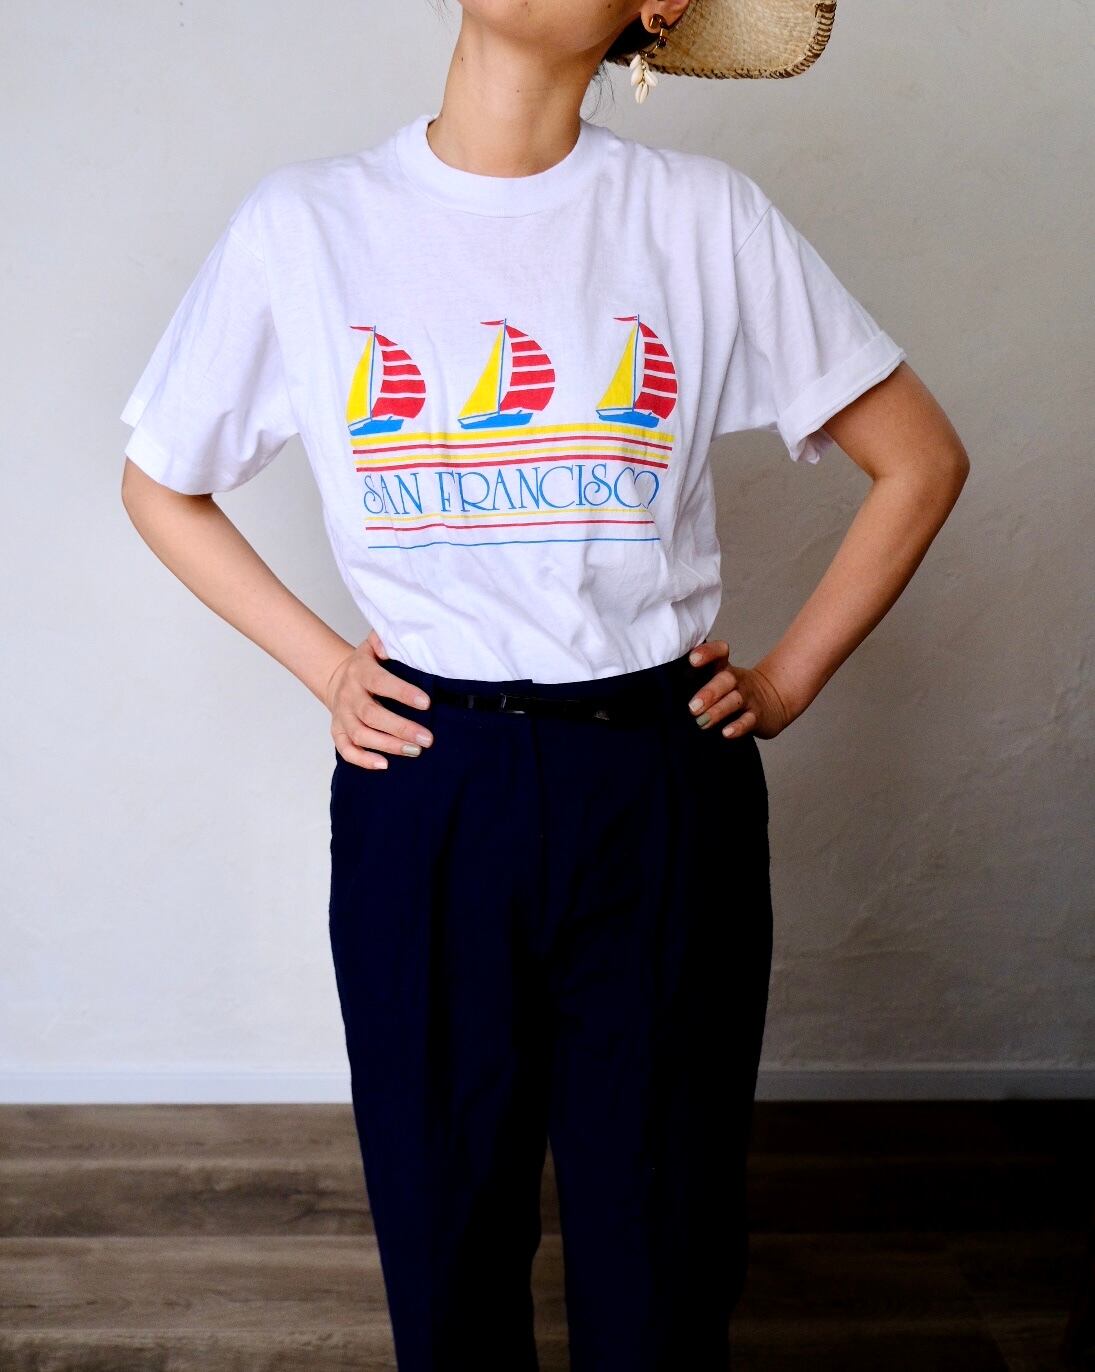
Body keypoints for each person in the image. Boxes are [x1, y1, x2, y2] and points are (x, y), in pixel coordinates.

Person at [119, 2, 970, 1368]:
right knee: (445, 1231)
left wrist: (788, 680)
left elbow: (921, 457)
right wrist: (328, 665)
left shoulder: (701, 219)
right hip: (426, 783)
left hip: (656, 781)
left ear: (658, 7)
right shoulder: (306, 225)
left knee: (662, 1243)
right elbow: (161, 482)